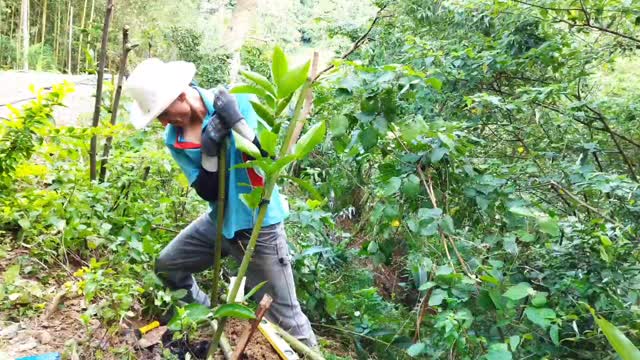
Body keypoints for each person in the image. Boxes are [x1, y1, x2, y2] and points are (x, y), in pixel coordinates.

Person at [125, 58, 317, 347]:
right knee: (168, 265)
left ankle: (309, 352)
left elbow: (267, 163)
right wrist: (209, 152)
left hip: (258, 225)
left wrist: (237, 121)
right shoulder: (173, 138)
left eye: (164, 113)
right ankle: (206, 317)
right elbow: (208, 191)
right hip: (220, 221)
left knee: (287, 317)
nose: (164, 122)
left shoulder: (237, 100)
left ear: (181, 94)